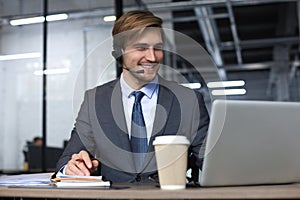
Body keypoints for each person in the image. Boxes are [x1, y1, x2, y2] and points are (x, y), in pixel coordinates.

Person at [55, 10, 209, 183]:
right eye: (141, 47)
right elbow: (66, 161)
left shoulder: (189, 100)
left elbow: (211, 161)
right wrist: (71, 168)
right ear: (120, 52)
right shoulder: (95, 100)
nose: (152, 57)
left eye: (157, 48)